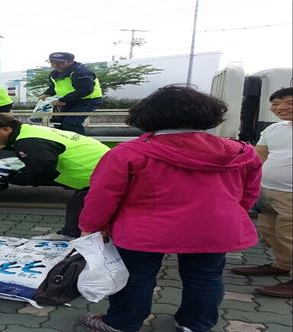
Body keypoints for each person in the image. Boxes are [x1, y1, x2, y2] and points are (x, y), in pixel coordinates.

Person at [77, 86, 262, 332]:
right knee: (205, 278)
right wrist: (233, 214)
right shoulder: (241, 152)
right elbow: (248, 192)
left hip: (143, 231)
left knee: (135, 279)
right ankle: (195, 325)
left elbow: (103, 197)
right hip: (215, 228)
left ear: (147, 115)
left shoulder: (128, 153)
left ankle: (122, 323)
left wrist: (91, 226)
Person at [0, 112, 110, 240]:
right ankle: (70, 233)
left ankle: (83, 241)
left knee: (91, 214)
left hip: (100, 176)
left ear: (6, 129)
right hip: (101, 171)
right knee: (78, 205)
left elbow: (42, 171)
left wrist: (10, 178)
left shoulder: (27, 142)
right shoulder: (28, 131)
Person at [231, 87, 293, 298]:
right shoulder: (273, 130)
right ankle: (282, 264)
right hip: (267, 191)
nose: (281, 108)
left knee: (289, 235)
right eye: (276, 103)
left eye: (289, 103)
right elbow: (258, 159)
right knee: (270, 231)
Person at [39, 52, 103, 135]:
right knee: (59, 123)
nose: (56, 65)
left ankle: (80, 144)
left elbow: (85, 90)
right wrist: (47, 94)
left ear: (71, 62)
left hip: (88, 100)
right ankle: (63, 143)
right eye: (52, 62)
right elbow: (54, 86)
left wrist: (62, 100)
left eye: (61, 63)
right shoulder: (54, 74)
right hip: (69, 101)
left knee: (71, 122)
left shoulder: (80, 72)